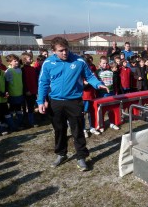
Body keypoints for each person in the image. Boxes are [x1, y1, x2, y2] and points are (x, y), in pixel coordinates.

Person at [37, 37, 109, 172]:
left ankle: (81, 157)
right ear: (53, 51)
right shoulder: (48, 63)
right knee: (59, 130)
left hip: (74, 102)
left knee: (77, 130)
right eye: (61, 51)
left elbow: (90, 76)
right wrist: (41, 100)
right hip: (55, 102)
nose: (64, 53)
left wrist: (98, 84)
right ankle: (61, 154)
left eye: (66, 49)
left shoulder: (79, 61)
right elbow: (43, 83)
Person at [5, 54, 24, 131]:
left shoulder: (19, 70)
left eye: (17, 61)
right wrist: (7, 92)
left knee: (19, 109)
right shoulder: (8, 71)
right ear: (10, 62)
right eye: (14, 61)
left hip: (20, 93)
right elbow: (6, 82)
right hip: (12, 94)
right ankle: (13, 125)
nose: (17, 62)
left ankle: (19, 123)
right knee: (12, 110)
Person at [21, 52, 38, 128]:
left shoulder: (33, 69)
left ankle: (32, 120)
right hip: (27, 91)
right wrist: (26, 90)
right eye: (29, 58)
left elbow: (35, 79)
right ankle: (27, 121)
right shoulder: (22, 69)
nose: (31, 60)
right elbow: (23, 81)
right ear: (24, 60)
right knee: (25, 107)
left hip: (33, 90)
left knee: (32, 106)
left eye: (31, 58)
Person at [0, 64, 9, 135]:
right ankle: (0, 129)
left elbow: (6, 83)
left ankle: (8, 126)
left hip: (3, 98)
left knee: (3, 113)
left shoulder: (2, 72)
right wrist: (2, 94)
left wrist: (6, 92)